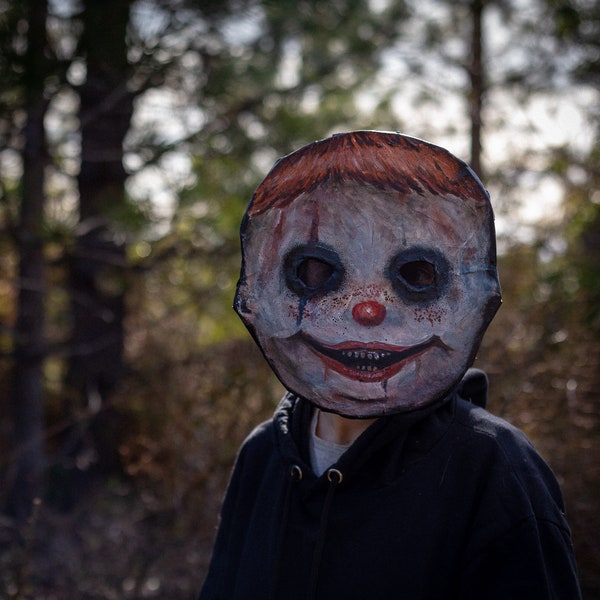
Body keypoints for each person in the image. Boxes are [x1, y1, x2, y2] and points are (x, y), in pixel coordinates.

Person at [199, 131, 581, 599]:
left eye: (418, 276)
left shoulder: (496, 470)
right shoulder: (263, 456)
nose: (367, 310)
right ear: (257, 289)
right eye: (314, 272)